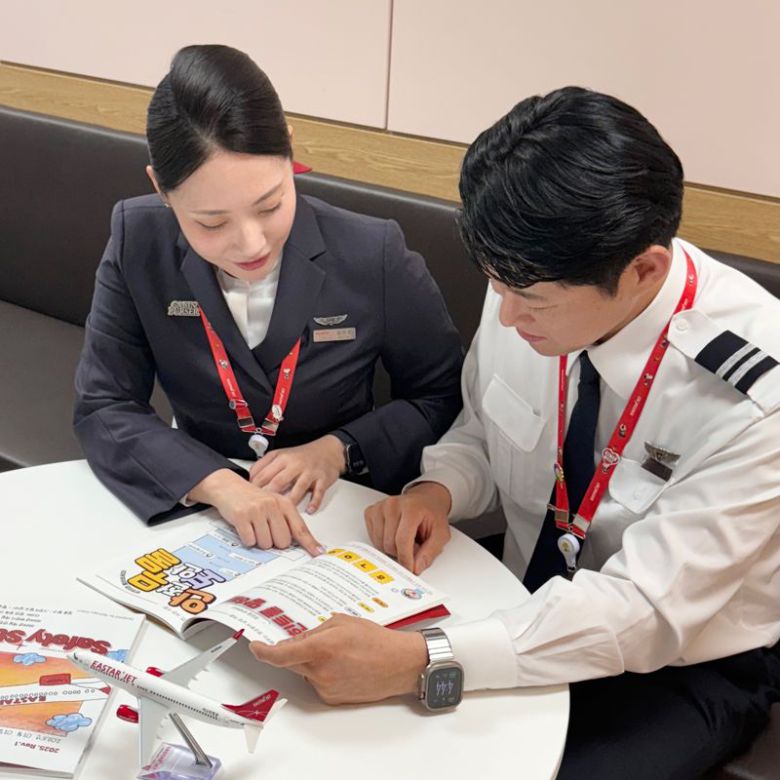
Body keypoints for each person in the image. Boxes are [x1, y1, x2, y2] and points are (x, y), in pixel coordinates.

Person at [250, 87, 780, 777]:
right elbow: (484, 425)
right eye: (496, 286)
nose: (504, 317)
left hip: (675, 664)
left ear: (643, 270)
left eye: (527, 299)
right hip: (516, 592)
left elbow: (644, 610)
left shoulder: (754, 399)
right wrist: (440, 490)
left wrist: (420, 660)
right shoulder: (528, 273)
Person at [73, 45, 463, 553]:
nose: (251, 244)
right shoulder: (137, 239)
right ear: (161, 189)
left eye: (270, 205)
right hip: (201, 506)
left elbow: (441, 396)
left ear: (290, 149)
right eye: (212, 223)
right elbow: (105, 403)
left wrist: (338, 449)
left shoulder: (373, 253)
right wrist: (221, 486)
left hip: (338, 513)